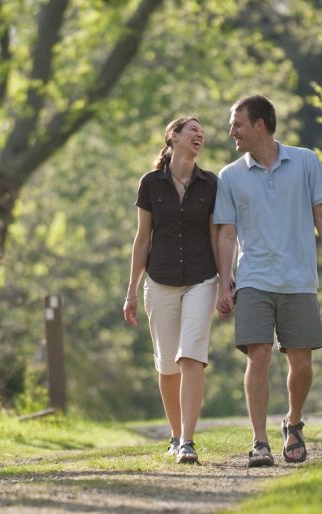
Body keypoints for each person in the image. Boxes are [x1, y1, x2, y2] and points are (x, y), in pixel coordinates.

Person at [214, 95, 322, 467]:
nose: (231, 132)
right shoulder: (230, 176)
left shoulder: (305, 161)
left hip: (298, 278)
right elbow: (226, 233)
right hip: (253, 279)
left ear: (260, 124)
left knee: (301, 363)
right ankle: (260, 442)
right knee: (257, 356)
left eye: (237, 124)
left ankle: (293, 423)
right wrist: (225, 280)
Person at [123, 116, 218, 464]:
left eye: (201, 131)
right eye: (192, 129)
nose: (199, 134)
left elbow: (215, 235)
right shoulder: (150, 184)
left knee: (191, 354)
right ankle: (176, 434)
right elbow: (142, 238)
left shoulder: (211, 184)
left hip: (201, 278)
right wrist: (131, 290)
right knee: (167, 365)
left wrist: (226, 283)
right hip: (159, 280)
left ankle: (189, 442)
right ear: (173, 137)